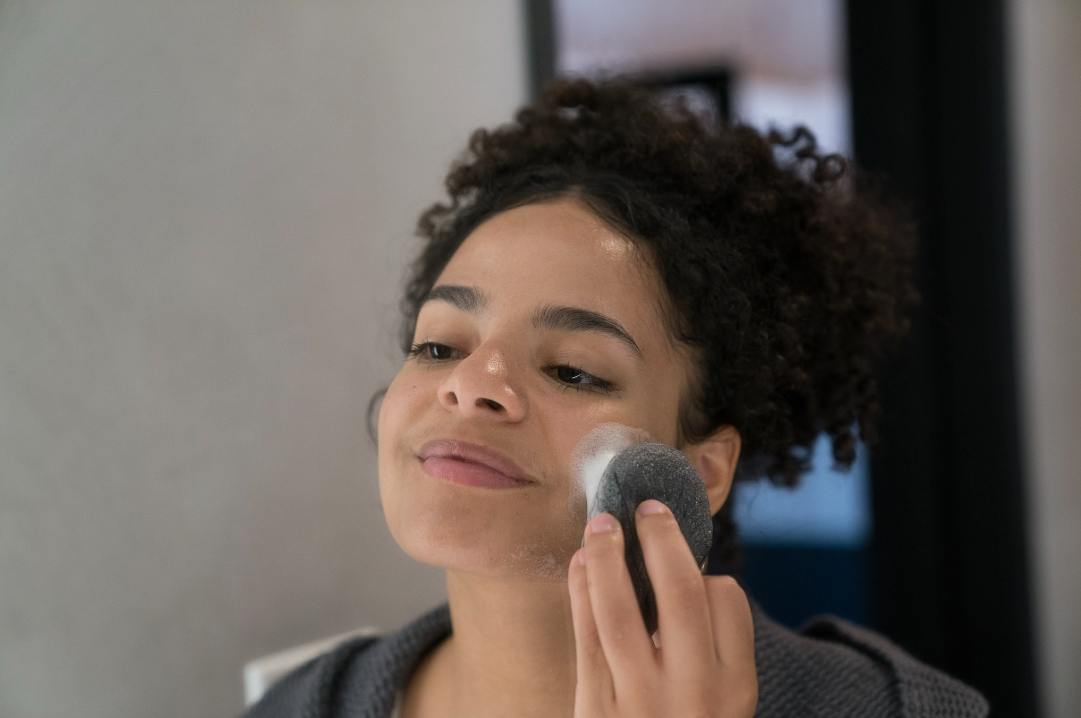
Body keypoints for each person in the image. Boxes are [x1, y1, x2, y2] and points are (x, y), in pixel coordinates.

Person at [242, 79, 988, 718]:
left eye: (572, 370)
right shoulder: (300, 706)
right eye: (439, 346)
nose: (469, 385)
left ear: (700, 470)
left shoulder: (895, 710)